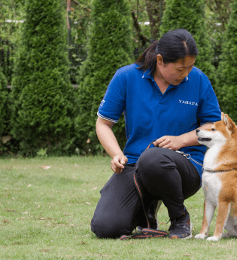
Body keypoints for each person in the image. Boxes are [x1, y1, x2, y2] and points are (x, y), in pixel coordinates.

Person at [91, 29, 221, 239]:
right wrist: (116, 154)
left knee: (152, 158)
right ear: (160, 60)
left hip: (186, 166)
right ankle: (146, 211)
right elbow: (103, 124)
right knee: (107, 228)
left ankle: (180, 217)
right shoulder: (126, 77)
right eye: (180, 69)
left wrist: (182, 140)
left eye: (190, 67)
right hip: (135, 165)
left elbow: (214, 126)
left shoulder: (198, 80)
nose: (186, 74)